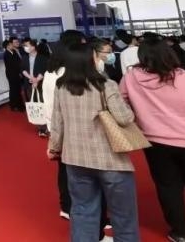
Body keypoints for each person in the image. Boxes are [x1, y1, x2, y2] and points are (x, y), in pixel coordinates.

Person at [120, 37, 185, 242]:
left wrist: (141, 112)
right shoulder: (184, 77)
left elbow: (120, 100)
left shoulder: (131, 78)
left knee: (168, 187)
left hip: (155, 142)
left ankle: (179, 233)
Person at [48, 45, 139, 242]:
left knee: (82, 211)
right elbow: (124, 118)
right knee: (123, 215)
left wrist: (54, 147)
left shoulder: (61, 87)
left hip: (75, 158)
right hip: (110, 159)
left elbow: (57, 122)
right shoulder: (106, 85)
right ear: (92, 60)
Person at [22, 38, 49, 137]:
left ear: (33, 46)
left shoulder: (42, 58)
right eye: (24, 46)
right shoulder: (24, 58)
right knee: (34, 106)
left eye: (27, 45)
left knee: (43, 104)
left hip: (41, 84)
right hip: (29, 84)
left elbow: (44, 70)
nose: (25, 47)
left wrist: (37, 80)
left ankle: (46, 126)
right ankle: (41, 127)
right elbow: (22, 69)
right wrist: (31, 78)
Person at [3, 36, 24, 112]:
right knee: (14, 90)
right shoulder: (6, 54)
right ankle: (15, 105)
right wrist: (18, 73)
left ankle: (17, 105)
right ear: (7, 46)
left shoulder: (14, 52)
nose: (13, 45)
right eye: (11, 44)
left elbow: (18, 62)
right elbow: (12, 65)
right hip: (12, 74)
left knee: (17, 89)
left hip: (16, 74)